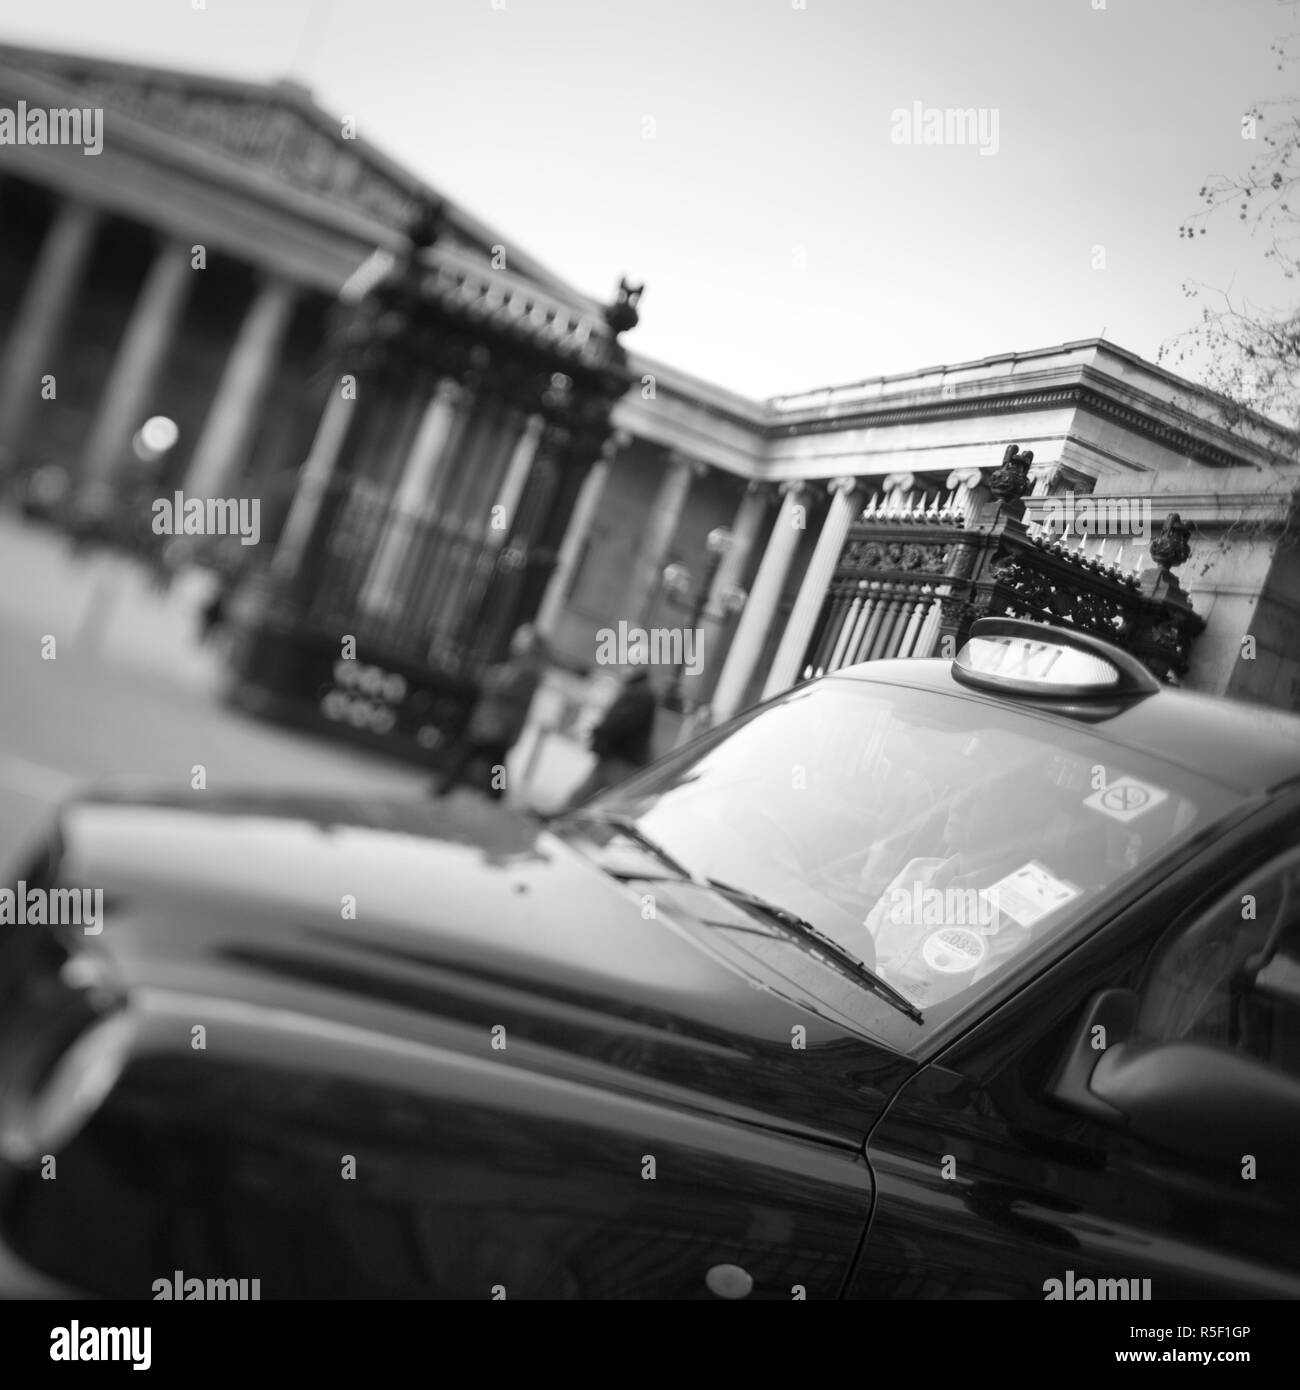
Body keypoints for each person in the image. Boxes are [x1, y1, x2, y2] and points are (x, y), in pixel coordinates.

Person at [433, 625, 549, 801]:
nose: (516, 640)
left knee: (470, 756)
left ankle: (446, 788)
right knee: (491, 762)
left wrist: (491, 677)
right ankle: (491, 794)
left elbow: (502, 688)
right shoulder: (517, 664)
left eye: (522, 637)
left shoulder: (528, 669)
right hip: (493, 722)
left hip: (497, 724)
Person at [562, 667, 658, 810]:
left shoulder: (640, 693)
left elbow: (620, 722)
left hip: (622, 759)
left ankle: (562, 819)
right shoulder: (635, 690)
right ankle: (561, 819)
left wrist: (600, 733)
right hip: (617, 756)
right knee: (586, 795)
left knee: (607, 803)